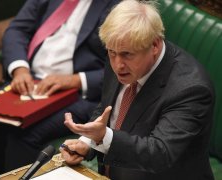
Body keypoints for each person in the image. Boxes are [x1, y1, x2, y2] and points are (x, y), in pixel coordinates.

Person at [60, 0, 215, 179]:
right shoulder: (120, 49)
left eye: (127, 54)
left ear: (155, 45)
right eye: (111, 52)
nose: (117, 65)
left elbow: (160, 153)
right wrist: (88, 142)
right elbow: (109, 108)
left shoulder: (191, 89)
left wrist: (103, 137)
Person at [0, 0, 119, 179]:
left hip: (79, 93)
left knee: (24, 135)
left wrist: (75, 80)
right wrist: (20, 69)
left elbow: (121, 68)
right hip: (30, 81)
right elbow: (17, 29)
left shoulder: (119, 5)